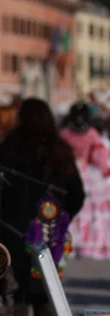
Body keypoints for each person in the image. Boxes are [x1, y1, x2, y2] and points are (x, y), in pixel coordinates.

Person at [0, 98, 85, 316]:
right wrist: (59, 217)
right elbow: (77, 194)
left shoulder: (6, 149)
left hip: (12, 231)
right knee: (47, 293)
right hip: (49, 233)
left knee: (16, 295)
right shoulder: (59, 153)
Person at [60, 102, 110, 259]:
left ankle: (71, 242)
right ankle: (90, 243)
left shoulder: (64, 134)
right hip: (89, 176)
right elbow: (99, 156)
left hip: (69, 173)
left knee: (74, 210)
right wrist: (105, 170)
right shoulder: (91, 134)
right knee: (92, 212)